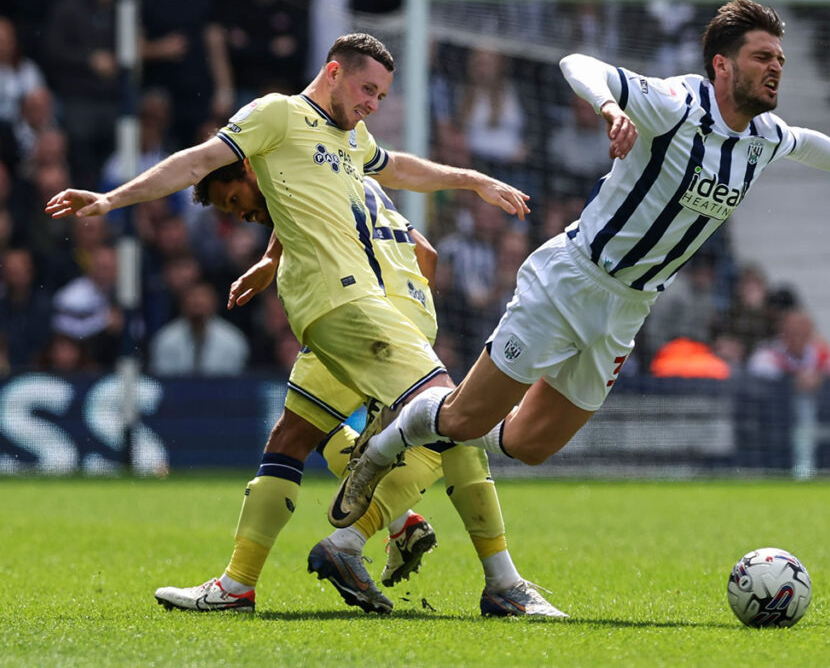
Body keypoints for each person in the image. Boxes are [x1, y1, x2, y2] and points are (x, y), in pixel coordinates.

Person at [339, 0, 830, 528]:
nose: (775, 70)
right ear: (723, 64)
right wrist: (611, 108)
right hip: (571, 278)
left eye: (781, 61)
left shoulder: (762, 134)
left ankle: (442, 427)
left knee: (529, 445)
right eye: (763, 57)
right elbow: (576, 63)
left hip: (629, 308)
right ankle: (382, 446)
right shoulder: (675, 103)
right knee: (470, 417)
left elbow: (808, 142)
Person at [45, 33, 558, 615]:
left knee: (290, 439)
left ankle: (236, 586)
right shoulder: (277, 114)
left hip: (338, 308)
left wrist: (471, 179)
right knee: (455, 416)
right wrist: (112, 200)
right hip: (346, 305)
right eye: (368, 89)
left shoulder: (349, 137)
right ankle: (491, 577)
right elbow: (198, 161)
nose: (373, 104)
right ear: (334, 72)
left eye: (382, 96)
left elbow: (397, 170)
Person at [154, 177, 562, 616]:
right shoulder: (356, 179)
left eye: (235, 199)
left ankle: (274, 571)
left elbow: (274, 187)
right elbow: (427, 253)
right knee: (355, 433)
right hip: (398, 316)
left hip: (361, 320)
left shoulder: (297, 167)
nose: (242, 214)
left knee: (443, 430)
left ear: (253, 171)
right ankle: (413, 534)